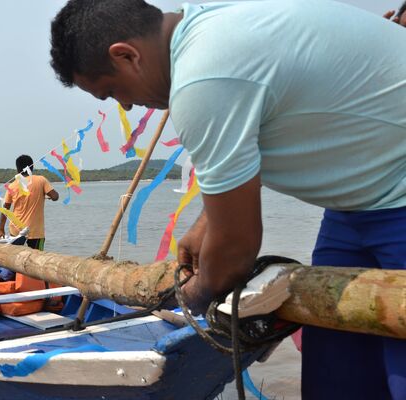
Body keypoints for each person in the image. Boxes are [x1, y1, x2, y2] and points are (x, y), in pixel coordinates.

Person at [49, 1, 406, 398]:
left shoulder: (202, 78)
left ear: (126, 55)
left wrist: (193, 295)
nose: (126, 105)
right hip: (360, 204)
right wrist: (208, 223)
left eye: (113, 91)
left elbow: (236, 248)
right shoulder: (214, 24)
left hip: (395, 195)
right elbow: (260, 145)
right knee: (337, 373)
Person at [0, 155, 59, 250]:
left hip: (16, 231)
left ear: (17, 169)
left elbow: (5, 209)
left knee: (16, 259)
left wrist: (1, 229)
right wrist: (48, 195)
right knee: (37, 259)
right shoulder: (41, 180)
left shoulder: (12, 185)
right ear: (32, 167)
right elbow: (55, 196)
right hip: (36, 232)